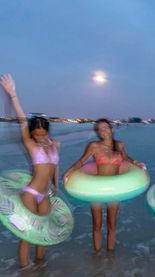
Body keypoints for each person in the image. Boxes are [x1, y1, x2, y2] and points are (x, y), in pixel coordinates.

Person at [0, 74, 59, 270]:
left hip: (45, 194)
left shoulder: (54, 145)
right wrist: (13, 95)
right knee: (28, 235)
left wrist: (56, 186)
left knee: (42, 233)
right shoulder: (30, 145)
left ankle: (40, 266)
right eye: (37, 134)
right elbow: (23, 121)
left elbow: (55, 167)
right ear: (32, 134)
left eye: (44, 134)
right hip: (31, 193)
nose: (41, 137)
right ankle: (25, 271)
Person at [63, 118, 144, 253]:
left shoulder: (120, 145)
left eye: (105, 128)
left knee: (112, 225)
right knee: (97, 225)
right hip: (97, 191)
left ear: (111, 129)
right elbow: (82, 161)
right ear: (98, 133)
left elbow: (127, 159)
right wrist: (69, 171)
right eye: (100, 129)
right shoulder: (94, 146)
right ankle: (97, 254)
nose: (103, 131)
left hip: (114, 190)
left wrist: (137, 163)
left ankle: (110, 255)